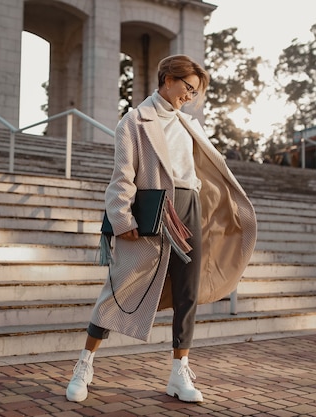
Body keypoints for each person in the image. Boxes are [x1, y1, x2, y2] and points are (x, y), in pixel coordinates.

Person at [65, 54, 257, 403]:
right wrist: (123, 220)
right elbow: (122, 178)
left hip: (190, 209)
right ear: (168, 78)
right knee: (120, 288)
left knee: (187, 293)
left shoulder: (189, 125)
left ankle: (178, 372)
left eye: (195, 92)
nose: (190, 96)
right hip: (155, 213)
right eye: (188, 87)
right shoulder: (134, 122)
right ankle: (85, 364)